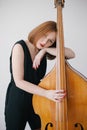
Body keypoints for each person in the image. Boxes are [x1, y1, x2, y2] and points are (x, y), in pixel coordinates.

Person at [4, 21, 75, 130]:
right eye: (45, 35)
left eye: (50, 41)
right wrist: (46, 93)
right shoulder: (19, 47)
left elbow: (71, 54)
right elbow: (19, 81)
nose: (45, 42)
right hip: (18, 100)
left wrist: (45, 50)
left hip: (37, 101)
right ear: (39, 31)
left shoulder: (44, 50)